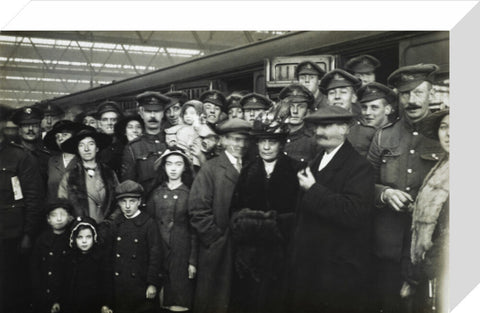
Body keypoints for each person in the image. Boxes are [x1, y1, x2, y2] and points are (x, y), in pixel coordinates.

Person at [367, 64, 444, 313]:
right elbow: (363, 183)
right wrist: (384, 193)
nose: (412, 100)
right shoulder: (382, 137)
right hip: (388, 244)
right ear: (398, 97)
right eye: (405, 94)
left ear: (431, 95)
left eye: (419, 93)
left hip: (427, 246)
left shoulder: (444, 135)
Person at [290, 105, 374, 313]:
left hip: (337, 271)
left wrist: (313, 189)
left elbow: (354, 212)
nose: (320, 132)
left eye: (327, 126)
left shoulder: (359, 166)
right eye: (318, 126)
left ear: (345, 129)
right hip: (311, 267)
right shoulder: (315, 162)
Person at [229, 114, 299, 313]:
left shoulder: (296, 169)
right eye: (262, 141)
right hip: (250, 256)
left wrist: (275, 225)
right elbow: (235, 211)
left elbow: (301, 213)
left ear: (282, 144)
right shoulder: (249, 170)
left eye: (272, 142)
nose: (266, 147)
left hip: (283, 254)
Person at [188, 118, 252, 313]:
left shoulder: (252, 166)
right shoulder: (211, 168)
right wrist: (216, 239)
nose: (240, 145)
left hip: (246, 248)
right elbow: (197, 210)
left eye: (244, 140)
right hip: (218, 250)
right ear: (222, 141)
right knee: (216, 301)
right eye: (234, 139)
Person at [0, 104, 44, 313]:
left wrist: (28, 234)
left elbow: (34, 200)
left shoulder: (19, 156)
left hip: (13, 235)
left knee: (13, 286)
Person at [407, 109, 449, 313]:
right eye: (444, 127)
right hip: (431, 268)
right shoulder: (444, 163)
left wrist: (420, 274)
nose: (449, 134)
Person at [148, 148, 197, 312]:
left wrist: (192, 260)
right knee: (159, 299)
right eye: (169, 164)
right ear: (164, 167)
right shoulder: (156, 193)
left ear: (185, 168)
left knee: (179, 300)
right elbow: (149, 223)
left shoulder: (189, 194)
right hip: (158, 251)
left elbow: (194, 230)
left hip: (181, 253)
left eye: (178, 164)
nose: (173, 168)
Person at [109, 180, 163, 313]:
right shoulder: (116, 224)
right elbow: (109, 257)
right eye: (123, 201)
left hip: (141, 287)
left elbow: (155, 256)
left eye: (132, 201)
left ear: (139, 202)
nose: (127, 206)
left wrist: (152, 284)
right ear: (119, 203)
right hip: (120, 287)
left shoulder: (148, 224)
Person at [58, 127, 119, 225]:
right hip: (81, 231)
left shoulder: (109, 174)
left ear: (97, 148)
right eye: (81, 145)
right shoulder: (69, 177)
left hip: (107, 229)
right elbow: (62, 205)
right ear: (77, 150)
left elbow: (119, 202)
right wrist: (76, 224)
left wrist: (109, 222)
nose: (86, 149)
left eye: (91, 144)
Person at [121, 91, 171, 197]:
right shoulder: (133, 148)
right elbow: (128, 187)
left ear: (163, 113)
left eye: (157, 111)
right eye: (148, 111)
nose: (153, 115)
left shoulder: (172, 141)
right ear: (141, 113)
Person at [30, 199, 74, 313]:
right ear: (48, 219)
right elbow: (35, 268)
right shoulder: (41, 240)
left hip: (65, 294)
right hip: (44, 293)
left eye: (63, 215)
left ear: (69, 217)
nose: (59, 219)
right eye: (54, 215)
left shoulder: (72, 240)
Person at [63, 216, 113, 313]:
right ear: (74, 238)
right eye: (80, 237)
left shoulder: (100, 258)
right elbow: (65, 285)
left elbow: (106, 283)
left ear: (94, 237)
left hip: (94, 305)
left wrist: (106, 304)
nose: (84, 241)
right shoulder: (71, 258)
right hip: (74, 305)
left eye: (88, 237)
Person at [348, 82, 396, 156]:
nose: (367, 112)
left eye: (374, 107)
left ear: (387, 109)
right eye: (364, 107)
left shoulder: (396, 133)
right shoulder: (353, 133)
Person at [44, 120, 83, 201]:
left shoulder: (83, 160)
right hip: (56, 210)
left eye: (65, 135)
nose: (60, 138)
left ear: (74, 137)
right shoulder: (51, 161)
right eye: (57, 136)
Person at [11, 106, 51, 187]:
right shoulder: (11, 156)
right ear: (19, 130)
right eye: (26, 125)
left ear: (40, 129)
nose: (30, 129)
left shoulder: (47, 157)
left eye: (35, 125)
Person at [279, 84, 318, 164]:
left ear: (307, 111)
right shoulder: (275, 135)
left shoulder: (313, 140)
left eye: (301, 107)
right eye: (290, 106)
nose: (295, 111)